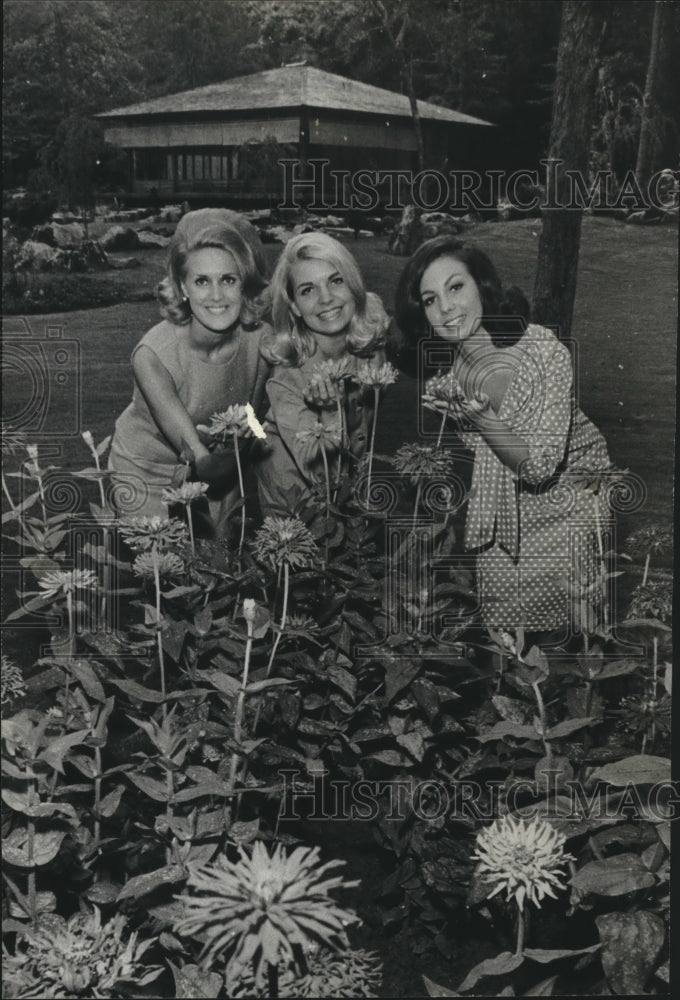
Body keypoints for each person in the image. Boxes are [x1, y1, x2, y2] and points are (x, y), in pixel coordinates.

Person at [394, 235, 613, 634]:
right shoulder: (445, 383)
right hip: (505, 514)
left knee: (584, 639)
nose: (445, 308)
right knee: (504, 640)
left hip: (575, 502)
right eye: (429, 300)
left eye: (456, 287)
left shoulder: (543, 351)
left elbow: (540, 467)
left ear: (482, 285)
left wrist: (482, 420)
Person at [108, 209, 271, 534]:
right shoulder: (152, 355)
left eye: (228, 279)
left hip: (223, 467)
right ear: (183, 287)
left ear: (244, 284)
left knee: (222, 566)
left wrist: (262, 441)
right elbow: (198, 456)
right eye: (201, 281)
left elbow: (256, 417)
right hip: (147, 472)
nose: (216, 296)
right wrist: (249, 445)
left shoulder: (262, 340)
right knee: (163, 574)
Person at [256, 232, 390, 515]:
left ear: (353, 284)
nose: (327, 298)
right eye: (308, 290)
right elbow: (324, 478)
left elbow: (366, 429)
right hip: (293, 503)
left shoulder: (370, 349)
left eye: (336, 280)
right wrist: (331, 411)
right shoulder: (287, 379)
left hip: (352, 490)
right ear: (294, 306)